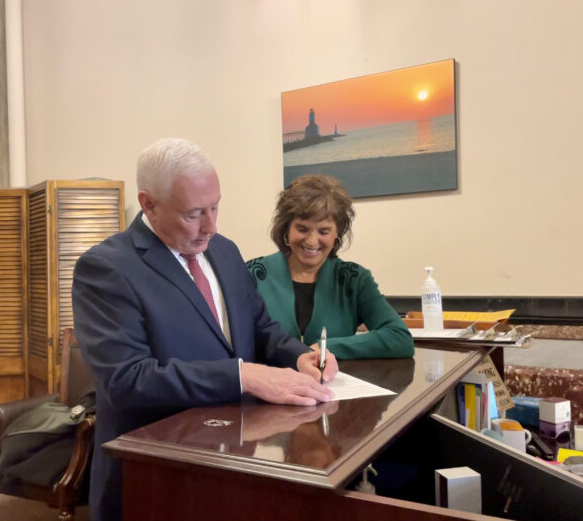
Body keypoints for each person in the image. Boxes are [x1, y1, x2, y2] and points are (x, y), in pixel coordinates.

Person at [72, 139, 338, 521]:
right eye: (194, 213)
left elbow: (259, 327)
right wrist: (242, 375)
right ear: (149, 204)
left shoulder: (224, 251)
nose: (211, 226)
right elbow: (127, 380)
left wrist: (299, 356)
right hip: (156, 476)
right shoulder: (106, 268)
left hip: (234, 462)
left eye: (215, 207)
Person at [247, 174, 414, 360]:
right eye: (302, 229)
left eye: (324, 231)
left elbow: (400, 338)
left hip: (333, 379)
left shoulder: (354, 279)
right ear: (286, 228)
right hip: (267, 379)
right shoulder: (252, 275)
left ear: (337, 233)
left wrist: (325, 348)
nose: (312, 241)